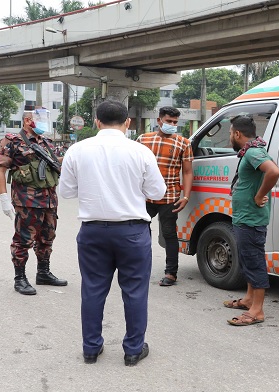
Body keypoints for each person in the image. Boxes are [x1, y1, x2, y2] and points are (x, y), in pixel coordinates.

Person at [59, 100, 166, 366]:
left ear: (97, 122)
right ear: (127, 122)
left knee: (93, 290)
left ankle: (91, 349)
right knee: (135, 291)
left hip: (93, 231)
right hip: (132, 232)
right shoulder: (140, 152)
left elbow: (66, 192)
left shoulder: (77, 150)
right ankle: (132, 350)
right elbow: (158, 192)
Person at [0, 107, 67, 295]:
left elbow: (54, 163)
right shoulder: (13, 141)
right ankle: (20, 278)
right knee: (23, 240)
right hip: (27, 201)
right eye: (40, 120)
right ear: (27, 121)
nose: (44, 125)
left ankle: (43, 272)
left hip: (50, 200)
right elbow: (0, 169)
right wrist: (3, 198)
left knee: (47, 237)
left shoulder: (46, 142)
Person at [223, 115, 279, 326]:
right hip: (245, 217)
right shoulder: (251, 151)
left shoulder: (254, 152)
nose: (230, 136)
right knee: (247, 259)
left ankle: (257, 311)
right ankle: (248, 299)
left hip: (251, 219)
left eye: (230, 133)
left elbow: (273, 172)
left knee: (254, 261)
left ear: (237, 134)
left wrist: (258, 195)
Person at [136, 106, 194, 286]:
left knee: (169, 233)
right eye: (169, 121)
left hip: (170, 197)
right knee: (139, 232)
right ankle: (138, 269)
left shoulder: (184, 143)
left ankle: (171, 273)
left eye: (175, 122)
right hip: (144, 196)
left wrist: (185, 197)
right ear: (159, 120)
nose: (172, 125)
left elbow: (188, 172)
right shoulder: (142, 140)